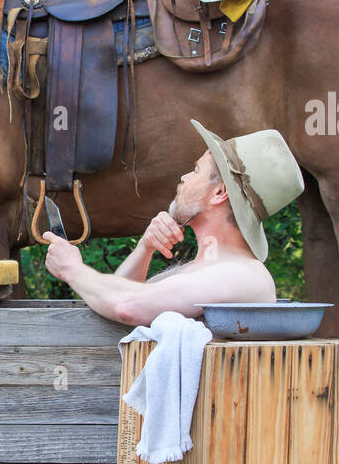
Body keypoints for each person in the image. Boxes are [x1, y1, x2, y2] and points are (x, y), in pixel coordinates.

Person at [44, 119, 305, 327]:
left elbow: (127, 306)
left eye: (197, 170)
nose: (184, 177)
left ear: (219, 193)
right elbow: (112, 304)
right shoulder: (206, 269)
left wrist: (71, 269)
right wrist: (144, 249)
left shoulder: (242, 274)